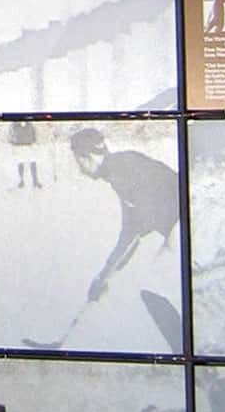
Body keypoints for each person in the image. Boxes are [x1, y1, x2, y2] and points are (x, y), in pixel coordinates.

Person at [69, 128, 179, 303]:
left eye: (78, 161)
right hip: (180, 225)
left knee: (159, 274)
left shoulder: (121, 171)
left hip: (190, 219)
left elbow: (143, 223)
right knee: (157, 273)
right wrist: (105, 275)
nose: (80, 169)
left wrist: (106, 275)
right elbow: (131, 230)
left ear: (88, 157)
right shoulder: (118, 170)